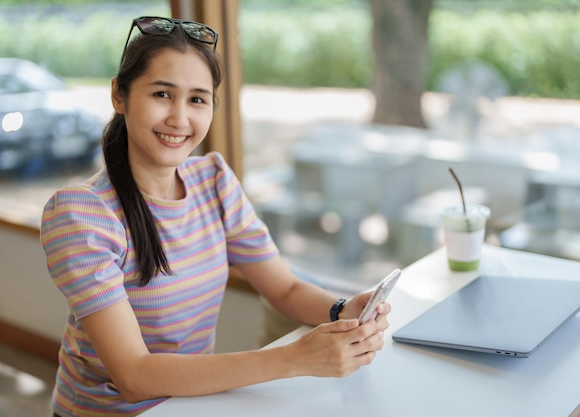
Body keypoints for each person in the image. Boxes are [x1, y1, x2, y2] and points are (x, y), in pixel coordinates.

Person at [40, 16, 391, 417]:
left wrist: (343, 311)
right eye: (161, 94)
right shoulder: (82, 214)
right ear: (119, 96)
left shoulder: (214, 181)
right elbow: (134, 376)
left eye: (197, 99)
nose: (179, 118)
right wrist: (296, 359)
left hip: (192, 406)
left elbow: (285, 290)